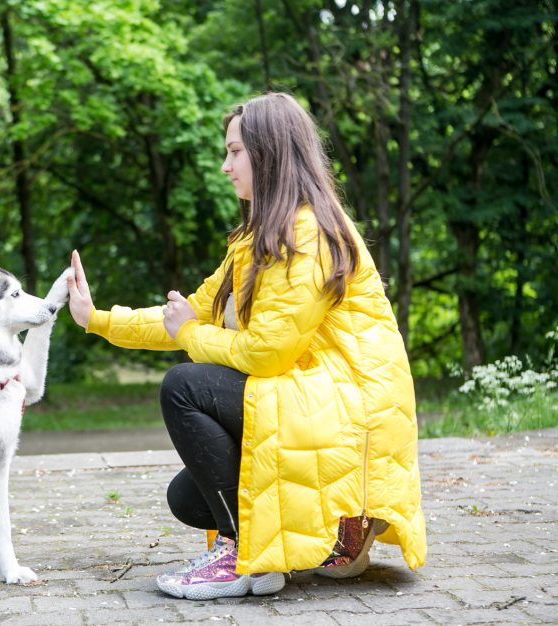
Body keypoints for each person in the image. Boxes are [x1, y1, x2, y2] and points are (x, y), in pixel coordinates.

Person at [65, 92, 426, 600]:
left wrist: (191, 334)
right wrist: (97, 318)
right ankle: (335, 537)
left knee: (184, 388)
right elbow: (186, 313)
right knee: (188, 497)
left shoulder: (309, 233)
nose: (225, 165)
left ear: (270, 153)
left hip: (348, 411)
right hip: (309, 398)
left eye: (235, 152)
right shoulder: (258, 237)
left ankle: (248, 557)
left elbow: (265, 352)